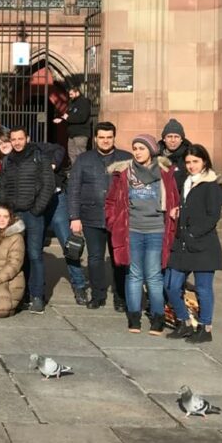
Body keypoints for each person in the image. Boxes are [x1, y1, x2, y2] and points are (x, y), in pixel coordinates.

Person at [105, 134, 180, 336]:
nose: (137, 152)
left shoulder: (164, 172)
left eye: (142, 148)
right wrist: (113, 222)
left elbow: (174, 199)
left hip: (156, 230)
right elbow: (111, 201)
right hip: (132, 230)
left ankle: (158, 317)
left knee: (154, 275)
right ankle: (134, 316)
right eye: (135, 148)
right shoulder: (124, 173)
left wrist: (175, 215)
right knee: (134, 274)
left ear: (152, 150)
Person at [165, 145, 222, 344]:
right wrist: (179, 211)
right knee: (170, 285)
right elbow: (191, 207)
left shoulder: (211, 185)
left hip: (203, 245)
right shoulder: (186, 182)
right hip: (182, 244)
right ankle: (184, 322)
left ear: (204, 161)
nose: (191, 166)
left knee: (203, 289)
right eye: (188, 162)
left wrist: (193, 233)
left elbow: (213, 216)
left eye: (195, 161)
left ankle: (205, 328)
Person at [68, 122, 132, 311]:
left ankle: (120, 297)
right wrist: (74, 217)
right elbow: (74, 188)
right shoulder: (83, 159)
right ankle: (98, 295)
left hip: (119, 217)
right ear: (95, 138)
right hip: (91, 216)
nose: (105, 141)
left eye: (109, 137)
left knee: (119, 259)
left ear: (114, 138)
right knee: (95, 258)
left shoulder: (126, 158)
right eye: (101, 137)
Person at [2, 126, 55, 314]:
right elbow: (4, 186)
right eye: (13, 139)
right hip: (15, 215)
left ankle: (37, 296)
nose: (17, 142)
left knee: (34, 254)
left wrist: (37, 209)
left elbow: (49, 184)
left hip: (33, 215)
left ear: (28, 138)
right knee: (18, 255)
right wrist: (7, 210)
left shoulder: (39, 157)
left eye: (20, 138)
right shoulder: (7, 160)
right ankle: (22, 294)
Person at [34, 139, 89, 306]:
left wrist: (52, 163)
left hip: (56, 199)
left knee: (69, 245)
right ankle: (36, 290)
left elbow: (59, 148)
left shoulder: (36, 148)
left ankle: (79, 285)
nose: (15, 143)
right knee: (34, 249)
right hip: (35, 203)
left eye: (19, 139)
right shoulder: (11, 158)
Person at [52, 84, 92, 167]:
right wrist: (61, 119)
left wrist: (68, 118)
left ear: (77, 92)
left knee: (80, 153)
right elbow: (67, 115)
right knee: (72, 153)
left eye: (71, 94)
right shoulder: (72, 103)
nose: (70, 96)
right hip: (72, 134)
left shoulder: (84, 102)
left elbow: (82, 117)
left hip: (80, 133)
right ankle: (75, 170)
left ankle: (82, 171)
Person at [159, 118, 192, 192]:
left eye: (176, 137)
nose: (173, 140)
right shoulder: (156, 155)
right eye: (169, 136)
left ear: (181, 139)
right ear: (164, 139)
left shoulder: (189, 156)